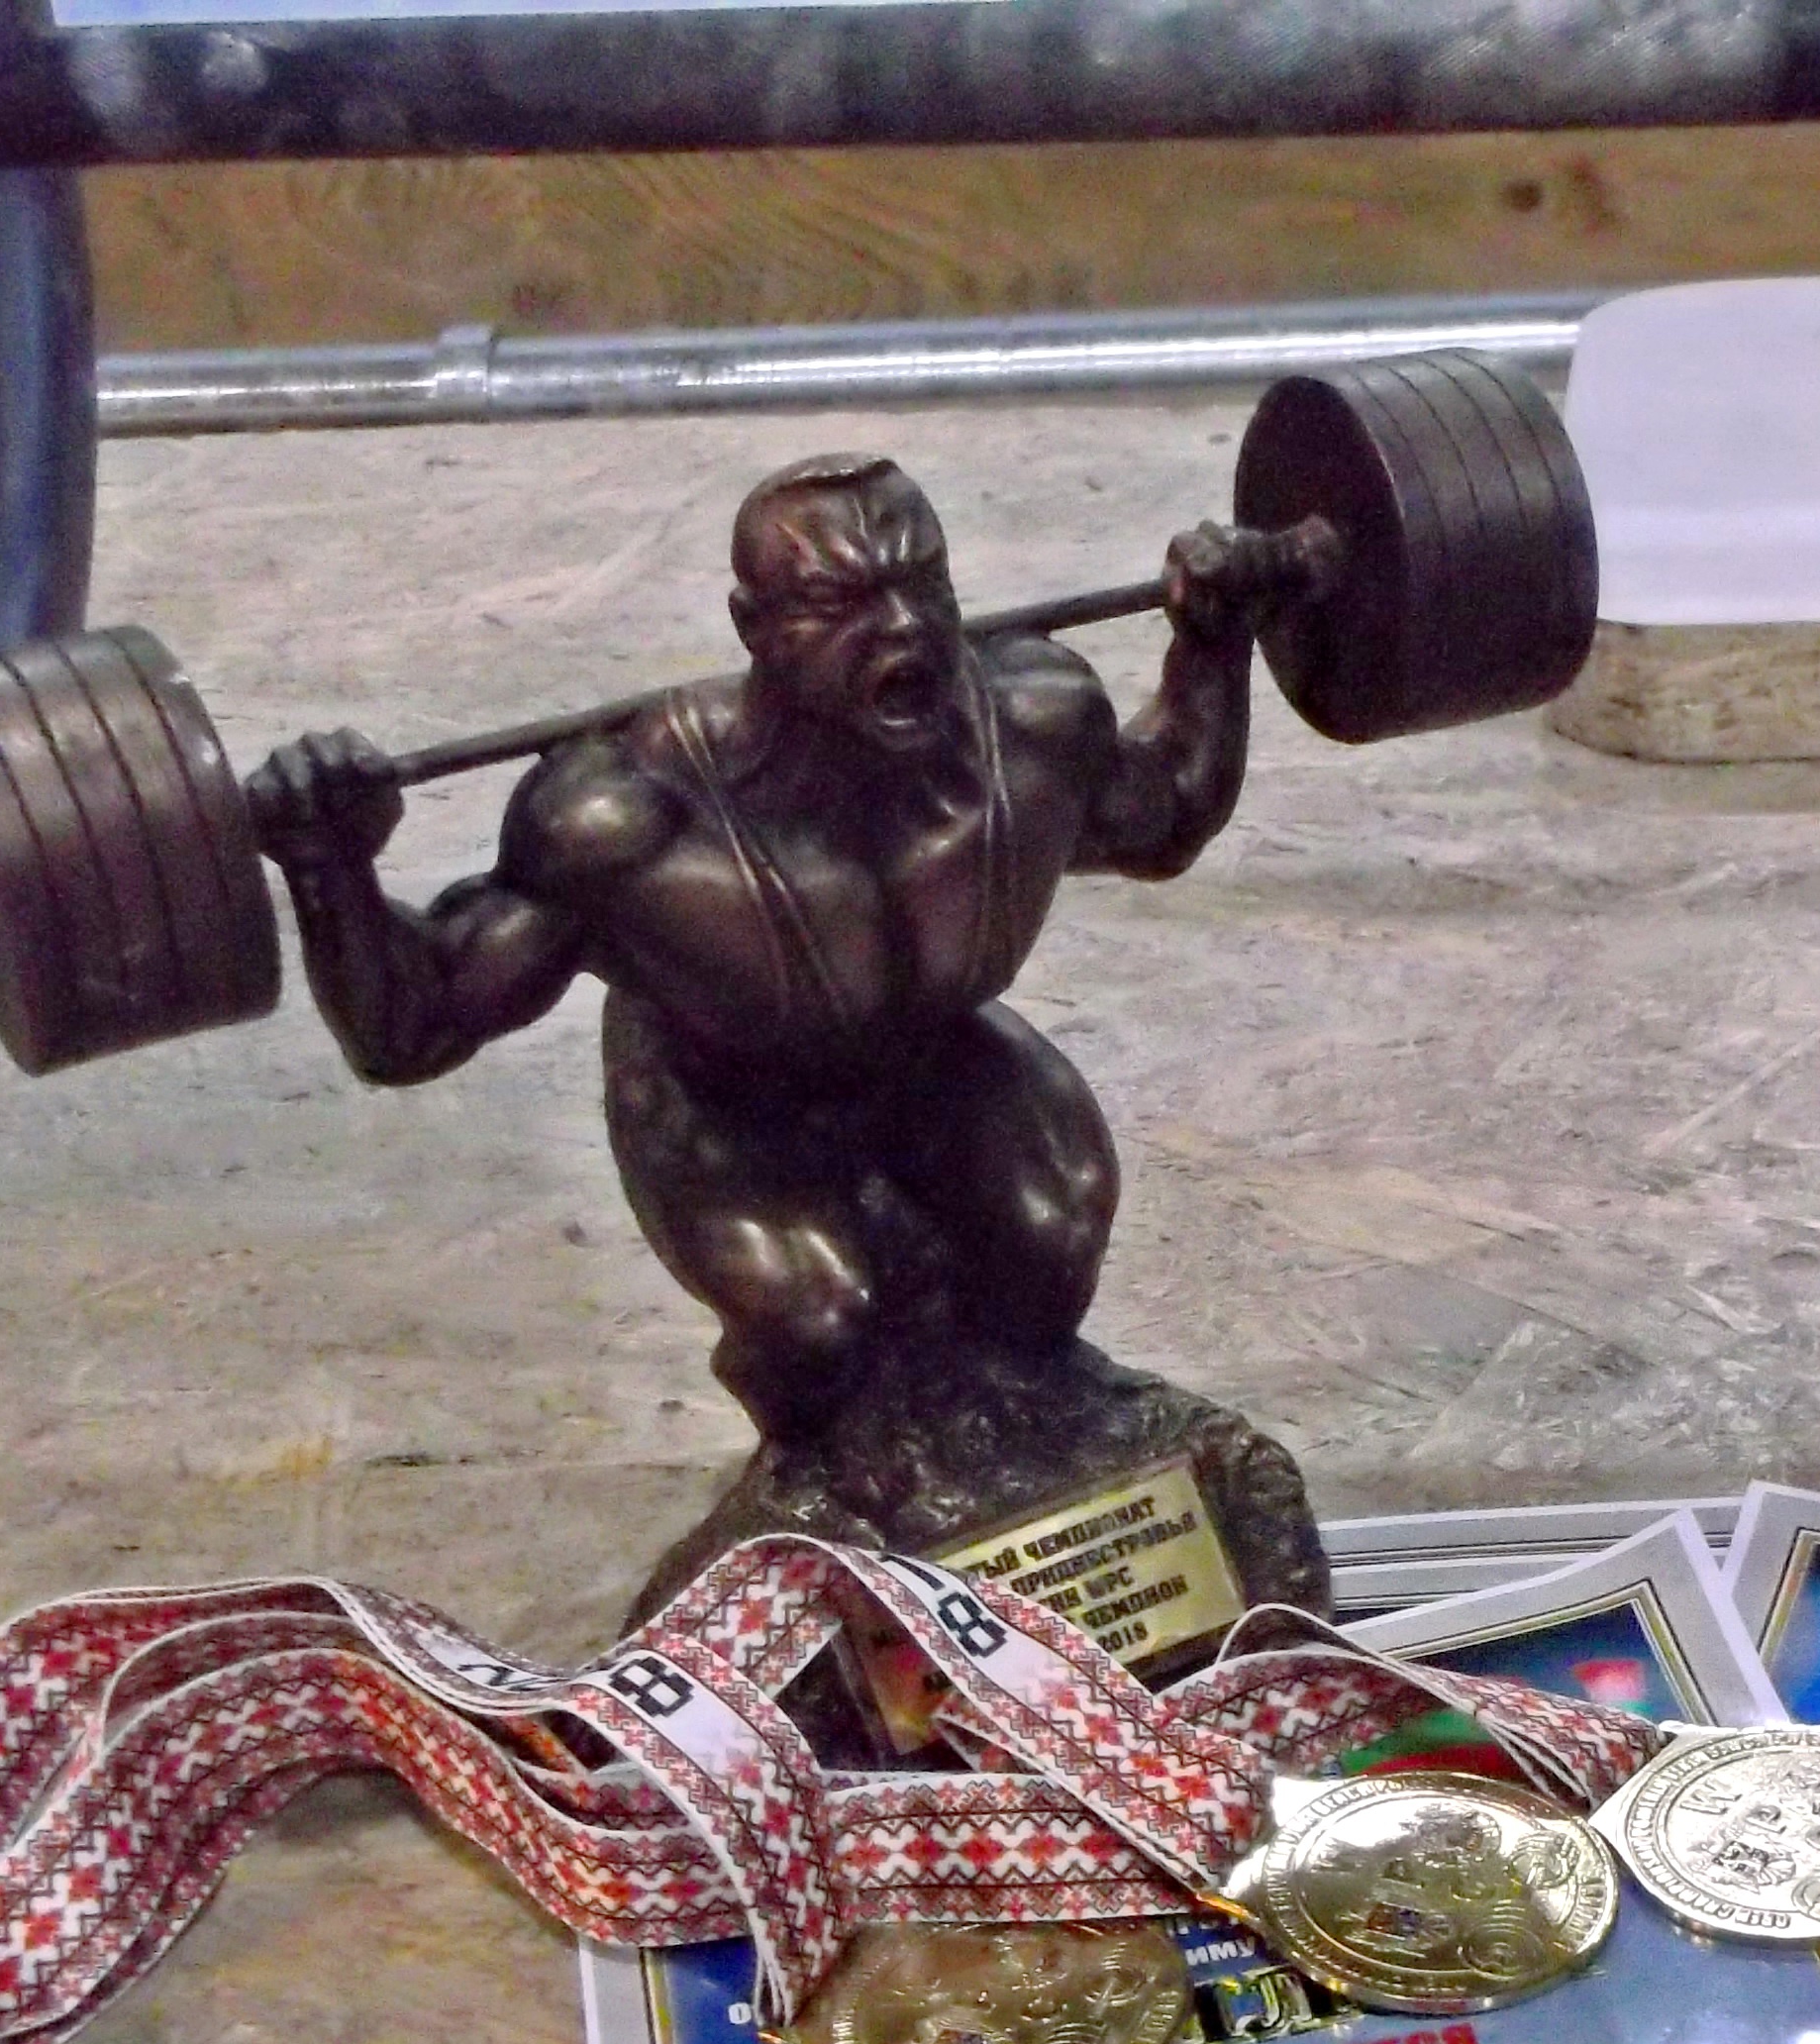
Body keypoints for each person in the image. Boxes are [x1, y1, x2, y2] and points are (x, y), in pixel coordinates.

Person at [245, 456, 1315, 1442]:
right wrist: (327, 867)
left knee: (1051, 1240)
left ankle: (1021, 1458)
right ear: (753, 627)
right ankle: (831, 1484)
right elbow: (412, 1025)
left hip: (929, 1047)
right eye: (840, 602)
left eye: (922, 585)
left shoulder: (1034, 731)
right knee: (818, 1330)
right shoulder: (627, 828)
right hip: (724, 1093)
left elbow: (1163, 816)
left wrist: (1214, 645)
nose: (903, 629)